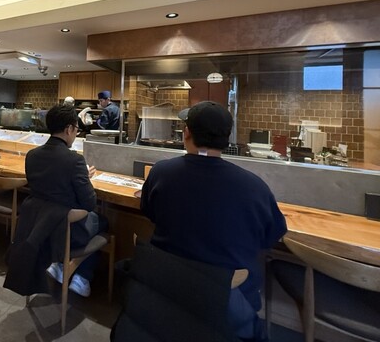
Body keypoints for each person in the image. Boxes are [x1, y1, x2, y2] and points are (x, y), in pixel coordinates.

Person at [140, 101, 287, 341]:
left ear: (186, 133)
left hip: (167, 291)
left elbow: (149, 212)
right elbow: (272, 236)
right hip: (228, 304)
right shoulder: (254, 186)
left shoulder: (161, 172)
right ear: (227, 139)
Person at [24, 104, 108, 297]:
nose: (76, 134)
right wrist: (85, 178)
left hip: (39, 227)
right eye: (76, 129)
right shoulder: (74, 160)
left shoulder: (32, 155)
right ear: (69, 129)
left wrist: (80, 176)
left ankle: (60, 265)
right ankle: (82, 277)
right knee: (103, 221)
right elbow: (89, 204)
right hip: (67, 231)